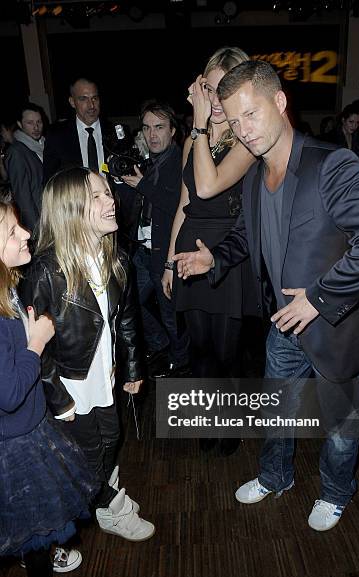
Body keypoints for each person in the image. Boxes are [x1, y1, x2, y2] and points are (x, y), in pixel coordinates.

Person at [173, 60, 359, 529]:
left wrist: (318, 298)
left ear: (279, 102)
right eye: (235, 122)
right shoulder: (256, 175)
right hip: (283, 324)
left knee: (340, 427)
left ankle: (336, 492)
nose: (244, 131)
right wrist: (213, 259)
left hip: (336, 326)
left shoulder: (330, 164)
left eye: (251, 115)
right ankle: (275, 476)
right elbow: (247, 236)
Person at [20, 167, 155, 542]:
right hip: (70, 387)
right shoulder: (46, 272)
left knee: (111, 440)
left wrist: (130, 367)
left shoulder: (115, 258)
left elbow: (126, 320)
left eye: (107, 193)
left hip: (106, 379)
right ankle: (108, 508)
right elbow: (35, 346)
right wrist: (59, 399)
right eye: (96, 196)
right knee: (88, 455)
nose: (110, 200)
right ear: (70, 211)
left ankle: (103, 496)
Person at [0, 190, 100, 577]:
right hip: (15, 444)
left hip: (28, 429)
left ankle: (34, 556)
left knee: (32, 523)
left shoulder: (8, 287)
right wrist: (36, 343)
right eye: (10, 231)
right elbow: (7, 392)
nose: (26, 233)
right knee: (34, 519)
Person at [162, 47, 256, 454]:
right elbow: (185, 204)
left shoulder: (249, 141)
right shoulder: (192, 138)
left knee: (227, 352)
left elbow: (207, 185)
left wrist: (199, 126)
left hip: (227, 255)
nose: (216, 101)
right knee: (200, 350)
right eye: (209, 90)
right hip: (188, 252)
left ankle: (231, 425)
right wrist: (168, 261)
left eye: (224, 91)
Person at [121, 100, 190, 378]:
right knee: (130, 302)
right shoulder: (150, 161)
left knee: (171, 315)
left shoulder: (179, 159)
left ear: (172, 130)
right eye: (147, 127)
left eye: (159, 127)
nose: (152, 134)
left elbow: (180, 205)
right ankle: (162, 345)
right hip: (143, 250)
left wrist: (144, 185)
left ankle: (180, 361)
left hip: (165, 254)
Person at [43, 78, 106, 183]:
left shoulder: (115, 131)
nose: (91, 105)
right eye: (83, 99)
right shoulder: (57, 136)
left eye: (94, 98)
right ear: (72, 102)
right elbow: (49, 181)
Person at [5, 103, 46, 233]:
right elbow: (22, 196)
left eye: (39, 122)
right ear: (20, 124)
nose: (36, 127)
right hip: (38, 220)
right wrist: (36, 230)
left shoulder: (43, 144)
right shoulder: (17, 151)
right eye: (30, 123)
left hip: (52, 214)